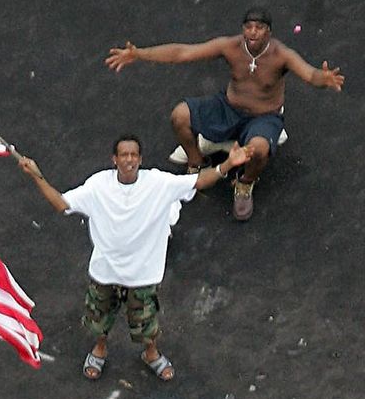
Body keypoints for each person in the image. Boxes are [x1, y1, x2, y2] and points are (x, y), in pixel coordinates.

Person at [18, 135, 250, 382]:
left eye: (133, 155)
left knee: (147, 322)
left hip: (143, 276)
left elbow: (199, 181)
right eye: (123, 155)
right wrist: (36, 175)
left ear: (140, 159)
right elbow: (62, 204)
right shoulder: (98, 186)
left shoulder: (159, 183)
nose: (129, 159)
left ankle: (151, 354)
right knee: (99, 319)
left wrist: (227, 166)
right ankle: (100, 349)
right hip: (105, 273)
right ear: (114, 160)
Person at [105, 7, 345, 222]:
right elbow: (182, 53)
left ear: (268, 32)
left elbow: (309, 74)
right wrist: (139, 54)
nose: (252, 33)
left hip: (263, 117)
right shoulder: (230, 46)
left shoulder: (282, 55)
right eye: (248, 27)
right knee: (180, 115)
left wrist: (322, 79)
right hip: (228, 108)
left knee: (259, 149)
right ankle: (196, 161)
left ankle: (245, 183)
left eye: (259, 28)